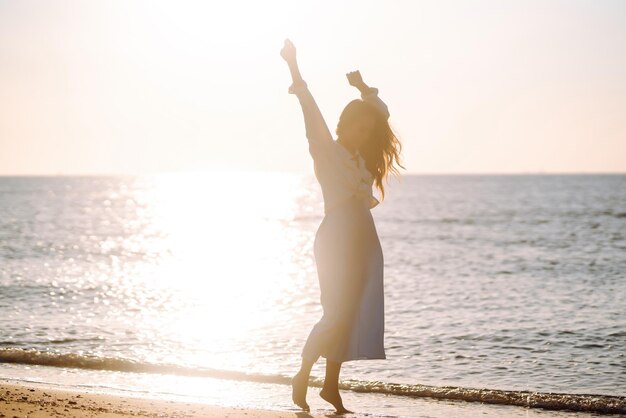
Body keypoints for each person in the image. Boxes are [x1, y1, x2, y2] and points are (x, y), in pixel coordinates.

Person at [280, 38, 403, 414]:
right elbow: (308, 104)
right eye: (359, 128)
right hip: (336, 236)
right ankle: (303, 374)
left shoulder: (362, 160)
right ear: (344, 125)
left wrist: (365, 90)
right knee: (336, 312)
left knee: (352, 310)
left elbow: (380, 114)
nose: (365, 135)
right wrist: (293, 64)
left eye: (368, 132)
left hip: (364, 237)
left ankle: (331, 387)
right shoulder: (325, 148)